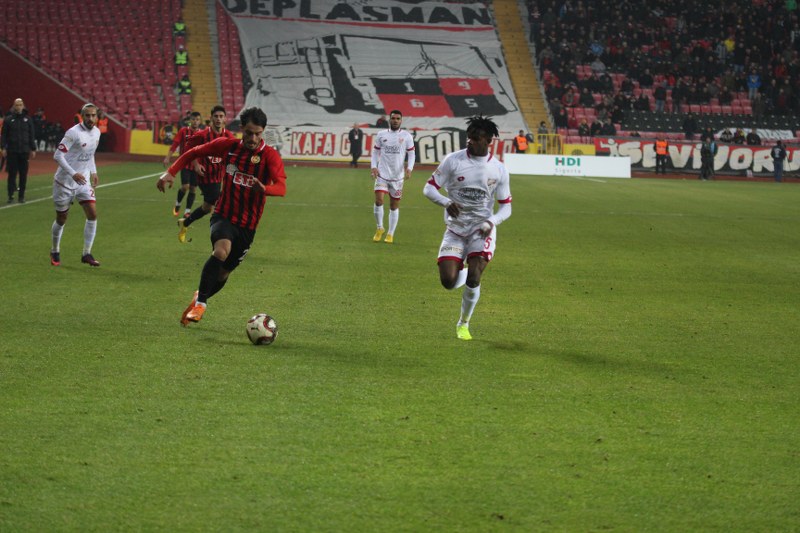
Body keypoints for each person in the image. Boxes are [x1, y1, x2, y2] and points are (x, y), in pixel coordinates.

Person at [156, 107, 287, 326]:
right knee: (221, 251)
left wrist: (264, 189)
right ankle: (201, 305)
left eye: (257, 133)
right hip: (224, 215)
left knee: (223, 273)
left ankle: (200, 296)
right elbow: (193, 152)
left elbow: (281, 187)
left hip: (248, 225)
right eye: (248, 133)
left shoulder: (269, 156)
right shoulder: (229, 147)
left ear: (263, 131)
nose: (252, 138)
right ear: (241, 130)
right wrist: (171, 171)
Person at [423, 114, 512, 341]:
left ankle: (463, 323)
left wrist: (491, 222)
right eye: (468, 137)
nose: (469, 142)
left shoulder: (498, 170)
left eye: (475, 138)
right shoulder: (453, 160)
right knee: (448, 282)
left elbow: (506, 208)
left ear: (489, 141)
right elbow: (429, 189)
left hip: (481, 229)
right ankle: (461, 268)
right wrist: (446, 202)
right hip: (455, 229)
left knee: (474, 277)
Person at [49, 103, 101, 267]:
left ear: (97, 117)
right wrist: (73, 173)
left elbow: (90, 154)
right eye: (87, 115)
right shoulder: (73, 133)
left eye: (93, 115)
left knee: (92, 214)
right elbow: (58, 155)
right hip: (65, 182)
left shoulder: (97, 132)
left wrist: (93, 172)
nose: (90, 118)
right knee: (62, 218)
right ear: (82, 116)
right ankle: (55, 249)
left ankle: (86, 253)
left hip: (83, 181)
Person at [177, 105, 235, 243]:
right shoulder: (202, 135)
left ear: (225, 119)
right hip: (205, 176)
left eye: (221, 116)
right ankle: (223, 236)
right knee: (222, 203)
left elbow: (234, 154)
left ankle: (185, 223)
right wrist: (196, 165)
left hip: (218, 176)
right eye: (216, 116)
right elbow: (187, 149)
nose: (218, 119)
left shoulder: (228, 136)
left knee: (207, 207)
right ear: (211, 118)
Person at [370, 109, 415, 244]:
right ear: (389, 120)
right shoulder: (381, 134)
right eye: (393, 118)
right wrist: (373, 166)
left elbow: (412, 154)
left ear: (401, 121)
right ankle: (379, 228)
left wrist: (409, 168)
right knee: (378, 200)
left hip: (397, 177)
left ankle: (390, 233)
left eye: (398, 119)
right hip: (382, 174)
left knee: (394, 206)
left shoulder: (406, 136)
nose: (395, 121)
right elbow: (375, 152)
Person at [163, 110, 203, 218]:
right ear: (190, 121)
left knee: (193, 189)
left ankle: (187, 211)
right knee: (185, 186)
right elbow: (175, 144)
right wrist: (168, 157)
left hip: (196, 166)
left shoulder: (202, 133)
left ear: (200, 121)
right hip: (185, 163)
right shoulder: (183, 131)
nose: (195, 122)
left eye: (197, 120)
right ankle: (178, 204)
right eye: (193, 119)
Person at [1, 98, 37, 203]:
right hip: (12, 151)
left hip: (24, 151)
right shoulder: (8, 120)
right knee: (12, 174)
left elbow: (31, 135)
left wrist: (33, 148)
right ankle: (10, 195)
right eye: (17, 105)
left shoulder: (28, 119)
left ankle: (21, 196)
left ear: (23, 106)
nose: (18, 106)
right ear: (13, 106)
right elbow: (4, 135)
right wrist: (3, 147)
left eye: (20, 104)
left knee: (23, 174)